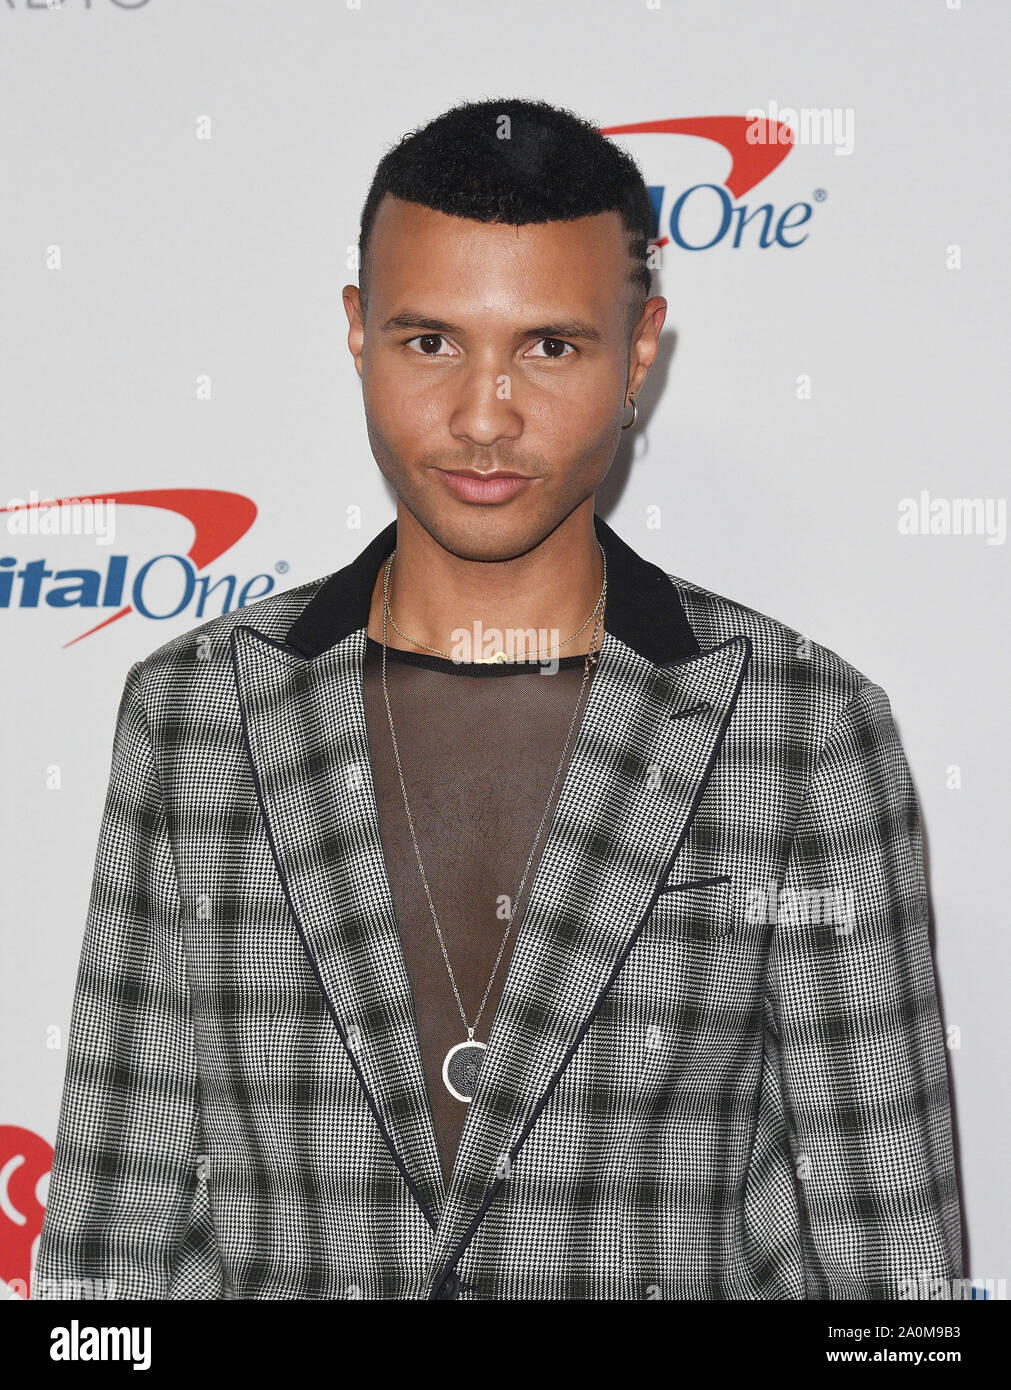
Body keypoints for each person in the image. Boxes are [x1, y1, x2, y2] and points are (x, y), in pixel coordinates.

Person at [33, 97, 962, 1301]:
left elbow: (889, 1268)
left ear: (640, 352)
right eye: (431, 344)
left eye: (549, 347)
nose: (484, 416)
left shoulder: (802, 729)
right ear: (358, 334)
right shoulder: (195, 714)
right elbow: (113, 1247)